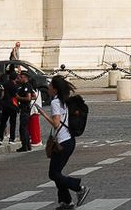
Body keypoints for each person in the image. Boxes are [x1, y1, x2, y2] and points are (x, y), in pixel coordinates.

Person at [44, 75, 87, 208]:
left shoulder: (55, 102)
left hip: (63, 142)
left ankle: (79, 188)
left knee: (54, 173)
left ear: (55, 89)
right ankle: (66, 202)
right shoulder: (64, 101)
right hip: (68, 141)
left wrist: (43, 113)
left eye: (50, 86)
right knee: (57, 173)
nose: (48, 87)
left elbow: (56, 124)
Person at [12, 70, 38, 152]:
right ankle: (28, 145)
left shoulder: (26, 86)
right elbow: (34, 96)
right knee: (25, 127)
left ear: (25, 78)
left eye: (21, 77)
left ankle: (24, 146)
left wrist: (18, 98)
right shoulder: (26, 86)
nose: (20, 78)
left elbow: (29, 97)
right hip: (25, 108)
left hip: (25, 108)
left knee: (23, 128)